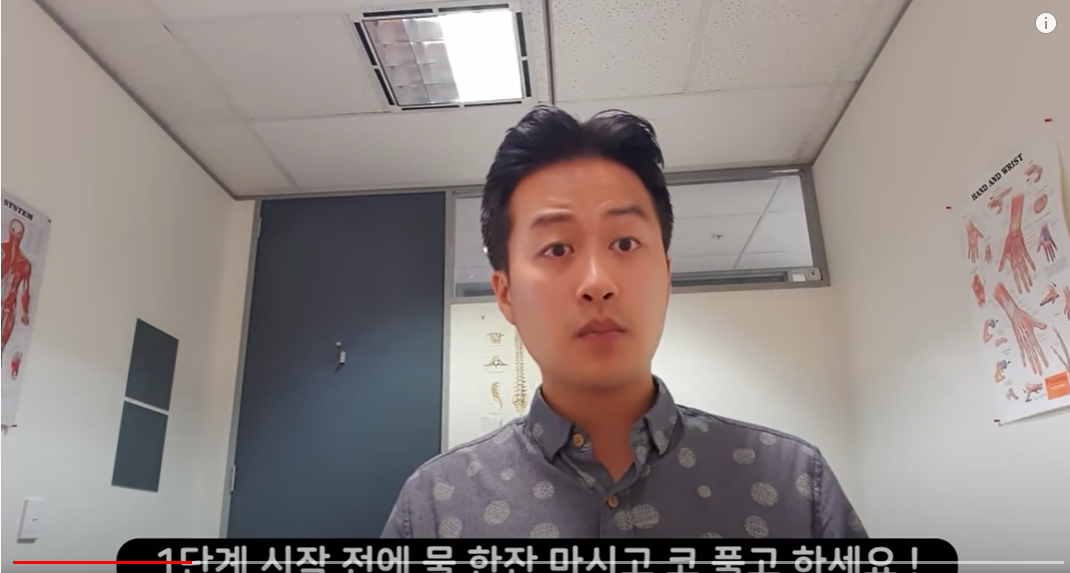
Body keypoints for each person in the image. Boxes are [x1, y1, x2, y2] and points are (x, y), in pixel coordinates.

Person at [381, 105, 866, 539]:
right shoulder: (437, 505)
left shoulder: (793, 483)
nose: (597, 282)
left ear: (666, 276)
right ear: (505, 294)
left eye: (625, 244)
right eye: (557, 248)